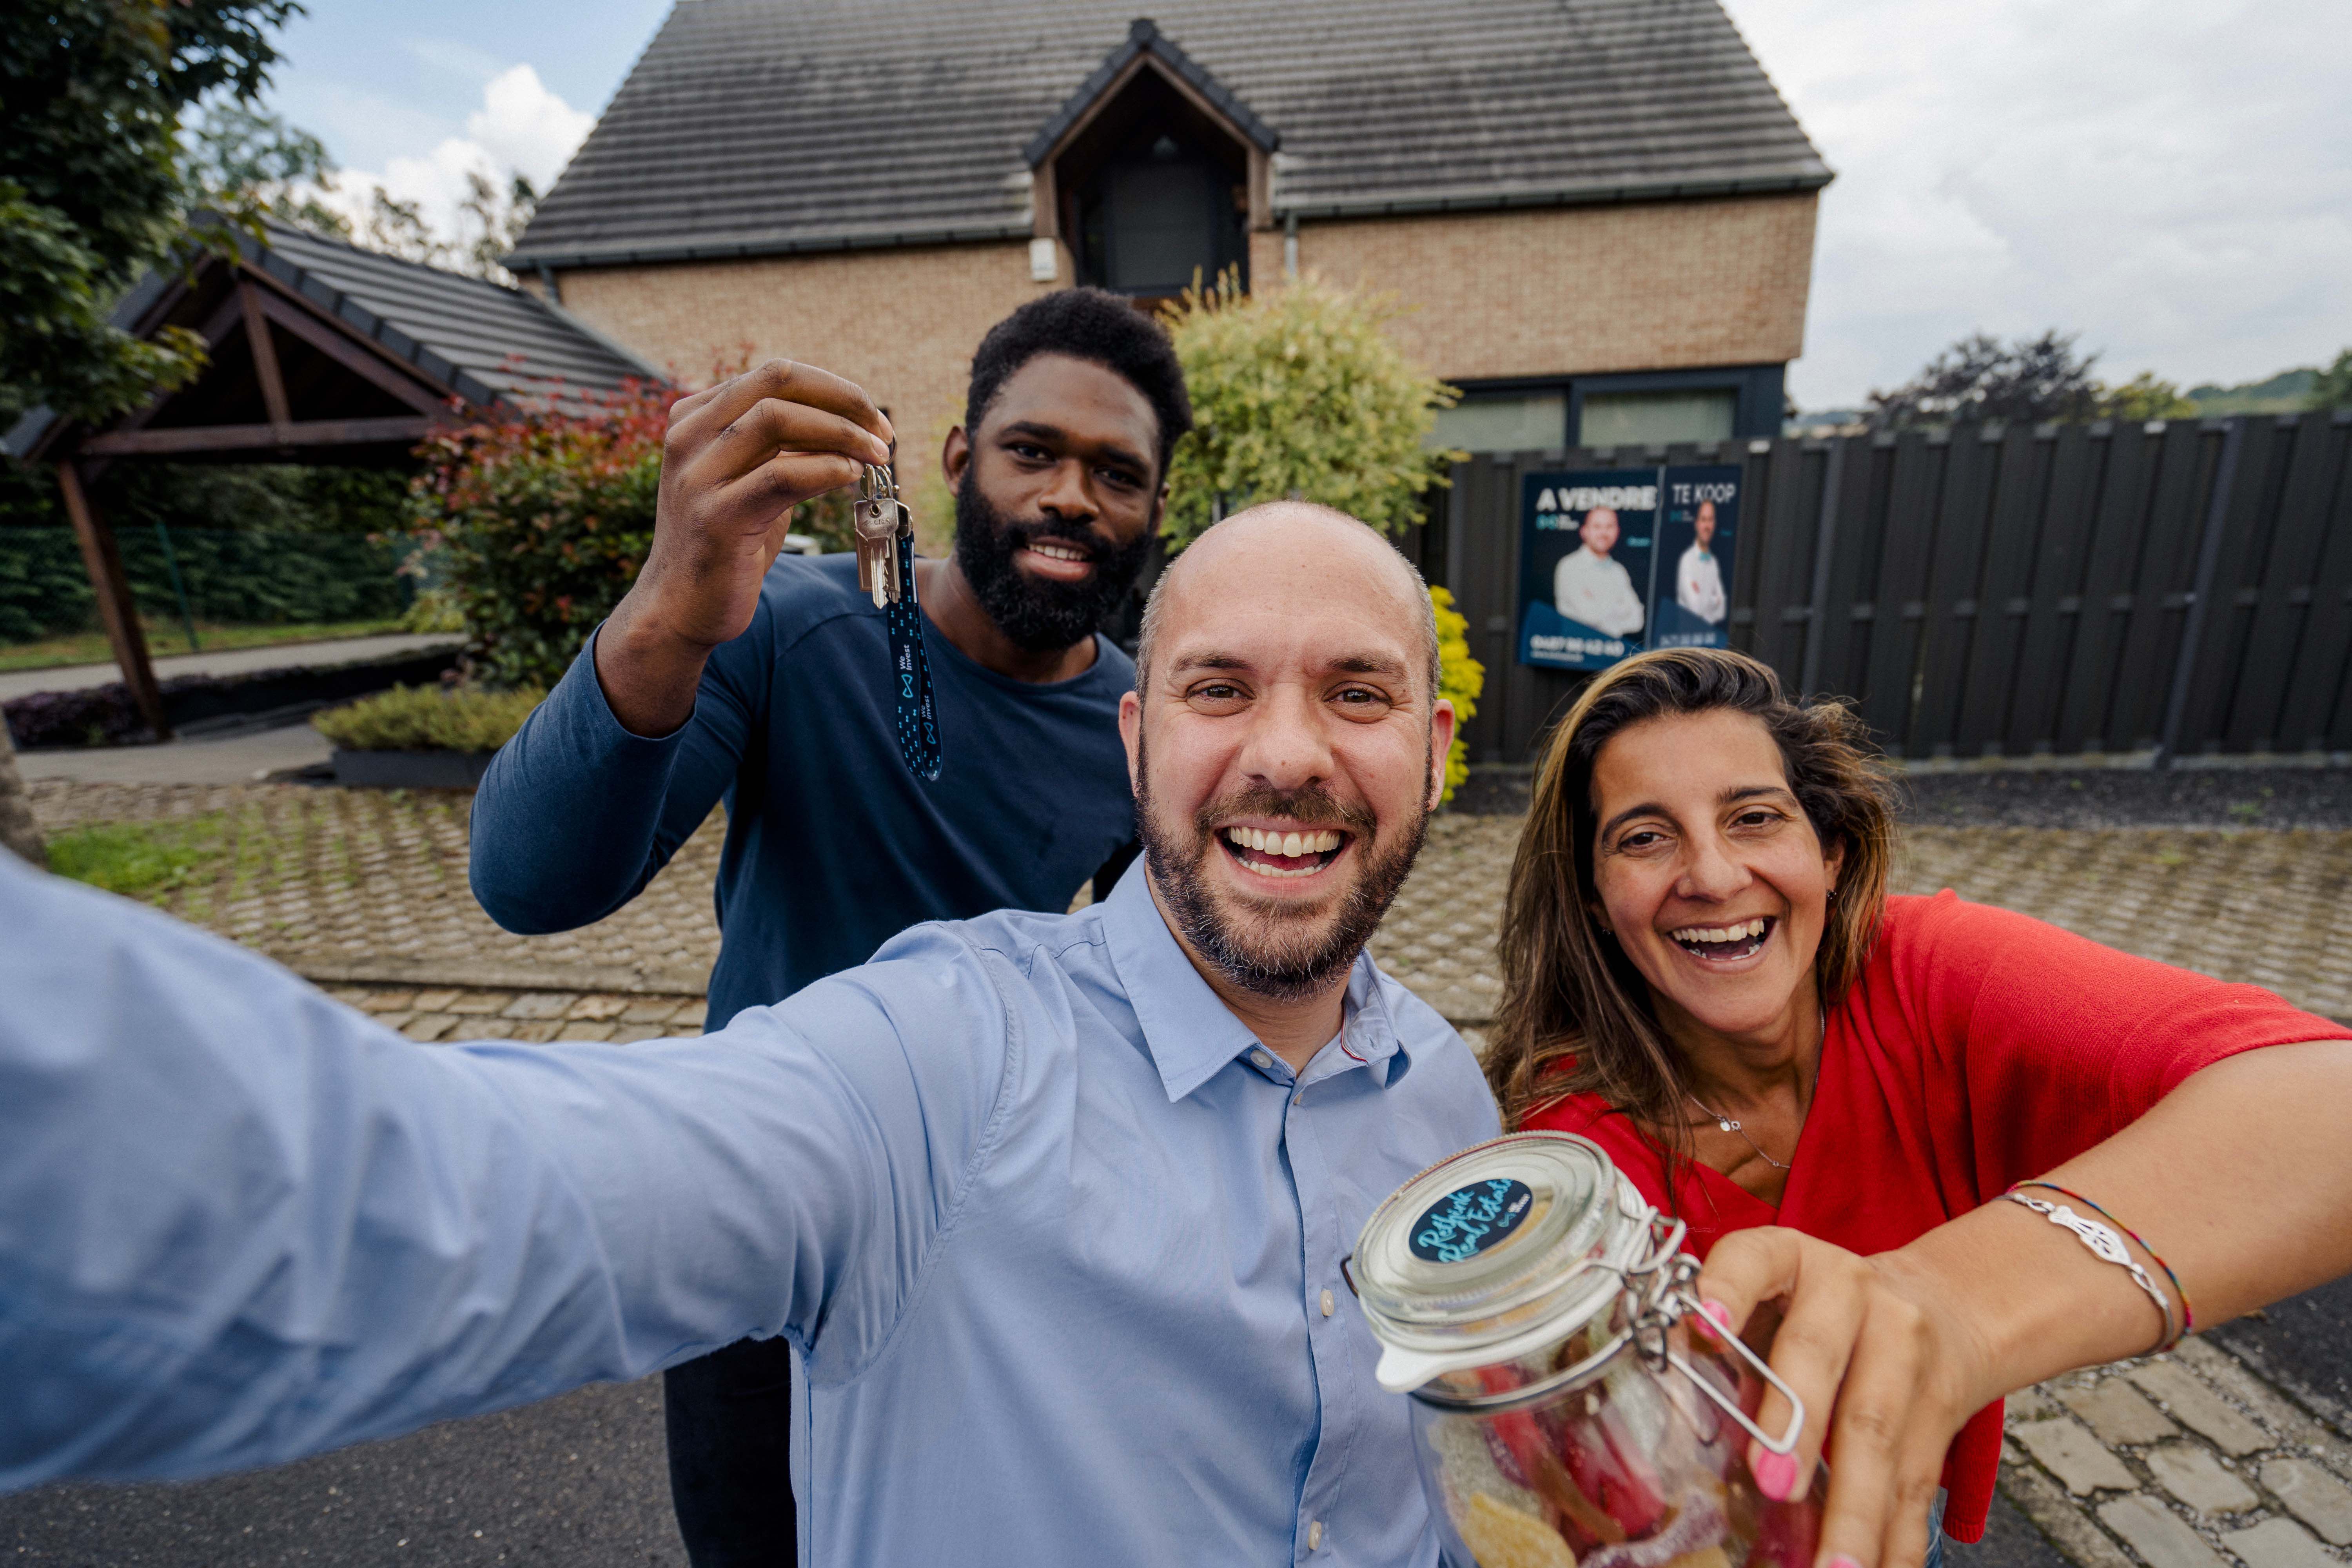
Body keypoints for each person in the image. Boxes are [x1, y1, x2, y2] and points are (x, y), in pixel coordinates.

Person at [2, 503, 1499, 1568]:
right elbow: (423, 1199)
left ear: (1432, 752)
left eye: (1356, 692)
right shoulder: (936, 1061)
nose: (1288, 753)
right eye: (1217, 687)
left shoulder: (1444, 1086)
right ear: (1137, 744)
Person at [468, 289, 1183, 1562]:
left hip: (989, 1258)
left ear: (1154, 512)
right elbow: (532, 885)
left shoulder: (1151, 732)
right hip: (761, 1246)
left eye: (1116, 472)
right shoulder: (784, 628)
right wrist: (670, 603)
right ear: (958, 462)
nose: (1073, 493)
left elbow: (1153, 1016)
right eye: (1035, 451)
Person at [1483, 646, 2352, 1568]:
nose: (1711, 873)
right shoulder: (1568, 1149)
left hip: (1910, 1511)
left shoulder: (1922, 971)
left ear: (1830, 849)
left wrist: (1946, 1304)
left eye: (1754, 817)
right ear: (1591, 891)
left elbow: (2319, 1099)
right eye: (1644, 836)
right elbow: (1601, 1484)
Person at [1551, 506, 1645, 637]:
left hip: (1611, 653)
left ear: (1617, 532)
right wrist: (1619, 610)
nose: (1604, 533)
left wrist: (1601, 608)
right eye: (1597, 526)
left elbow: (1638, 620)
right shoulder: (1569, 566)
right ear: (1584, 531)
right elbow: (1589, 617)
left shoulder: (1619, 571)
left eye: (1609, 527)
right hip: (1575, 653)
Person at [1675, 499, 1727, 624]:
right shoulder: (1687, 560)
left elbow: (1722, 610)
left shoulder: (1713, 562)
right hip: (1686, 639)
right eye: (1704, 520)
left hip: (1708, 638)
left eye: (1710, 520)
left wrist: (1705, 599)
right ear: (1697, 524)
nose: (1707, 526)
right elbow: (1696, 608)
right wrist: (1715, 600)